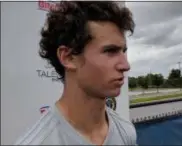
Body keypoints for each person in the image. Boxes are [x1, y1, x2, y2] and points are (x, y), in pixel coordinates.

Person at [15, 1, 136, 145]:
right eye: (110, 51)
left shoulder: (126, 130)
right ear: (68, 57)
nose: (126, 65)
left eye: (123, 51)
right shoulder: (40, 142)